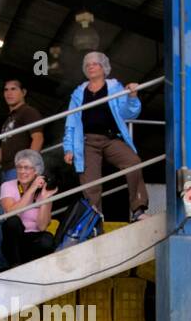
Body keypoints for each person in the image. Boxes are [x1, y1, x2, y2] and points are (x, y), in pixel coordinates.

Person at [63, 51, 148, 221]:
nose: (91, 66)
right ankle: (94, 219)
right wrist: (68, 148)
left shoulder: (115, 87)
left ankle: (138, 208)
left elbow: (129, 113)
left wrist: (132, 97)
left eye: (95, 63)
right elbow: (70, 123)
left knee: (133, 162)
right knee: (90, 183)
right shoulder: (78, 93)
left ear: (104, 67)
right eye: (88, 64)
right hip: (86, 142)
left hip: (110, 139)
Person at [0, 79, 44, 272]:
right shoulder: (10, 119)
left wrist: (30, 166)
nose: (9, 93)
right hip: (8, 171)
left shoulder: (28, 112)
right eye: (5, 89)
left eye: (14, 89)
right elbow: (4, 148)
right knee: (6, 219)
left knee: (7, 218)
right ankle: (6, 265)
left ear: (23, 91)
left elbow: (38, 137)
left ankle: (2, 267)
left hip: (20, 172)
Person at [0, 149, 59, 267]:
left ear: (36, 171)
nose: (22, 171)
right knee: (12, 221)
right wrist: (31, 189)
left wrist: (45, 199)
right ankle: (15, 266)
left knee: (47, 239)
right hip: (14, 242)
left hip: (33, 241)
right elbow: (10, 212)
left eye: (26, 168)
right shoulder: (7, 186)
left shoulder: (44, 190)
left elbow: (42, 227)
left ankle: (34, 269)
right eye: (19, 167)